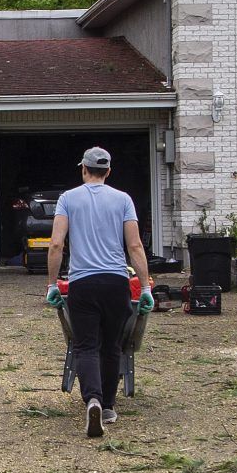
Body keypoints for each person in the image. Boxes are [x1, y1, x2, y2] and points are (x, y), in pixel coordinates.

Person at [46, 145, 152, 439]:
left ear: (83, 169)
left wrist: (53, 284)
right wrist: (144, 287)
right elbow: (134, 246)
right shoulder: (123, 200)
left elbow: (56, 244)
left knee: (85, 345)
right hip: (116, 283)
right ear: (108, 171)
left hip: (82, 283)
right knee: (112, 345)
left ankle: (91, 399)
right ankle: (107, 406)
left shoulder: (68, 199)